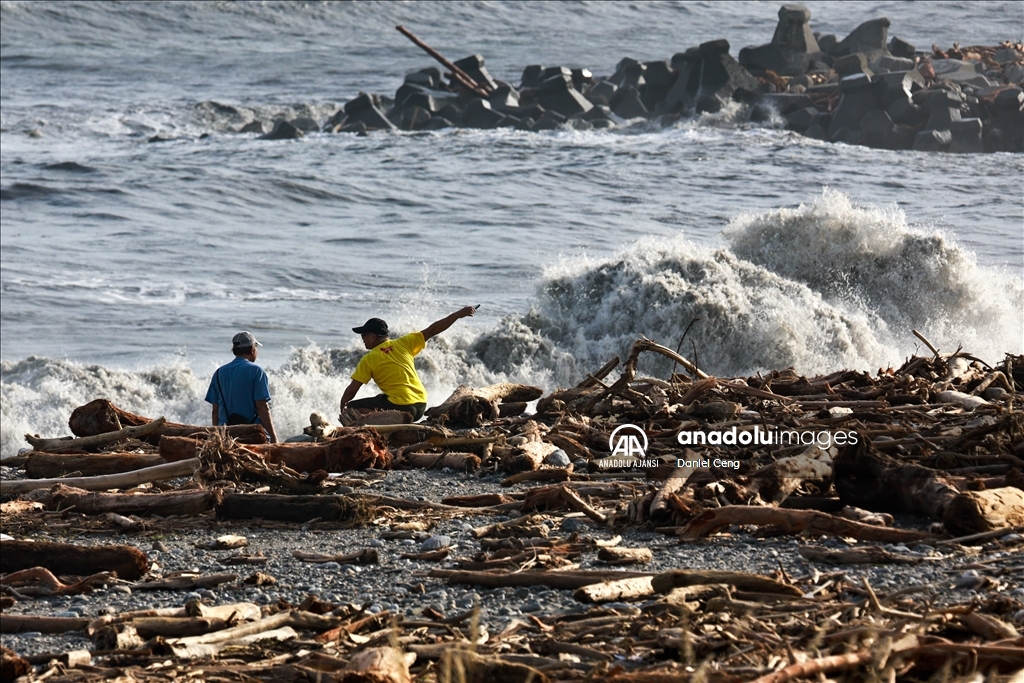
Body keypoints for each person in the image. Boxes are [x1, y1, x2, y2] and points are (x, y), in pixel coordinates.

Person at [339, 306, 476, 421]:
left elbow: (352, 390)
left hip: (401, 407)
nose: (362, 338)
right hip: (420, 404)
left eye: (364, 335)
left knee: (352, 408)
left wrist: (343, 403)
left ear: (373, 336)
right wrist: (458, 314)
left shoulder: (368, 359)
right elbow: (433, 329)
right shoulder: (404, 343)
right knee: (381, 398)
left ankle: (386, 427)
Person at [205, 331, 278, 443]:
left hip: (227, 435)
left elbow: (215, 411)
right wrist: (274, 438)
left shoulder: (219, 373)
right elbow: (262, 407)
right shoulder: (257, 371)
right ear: (252, 349)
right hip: (253, 435)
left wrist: (216, 438)